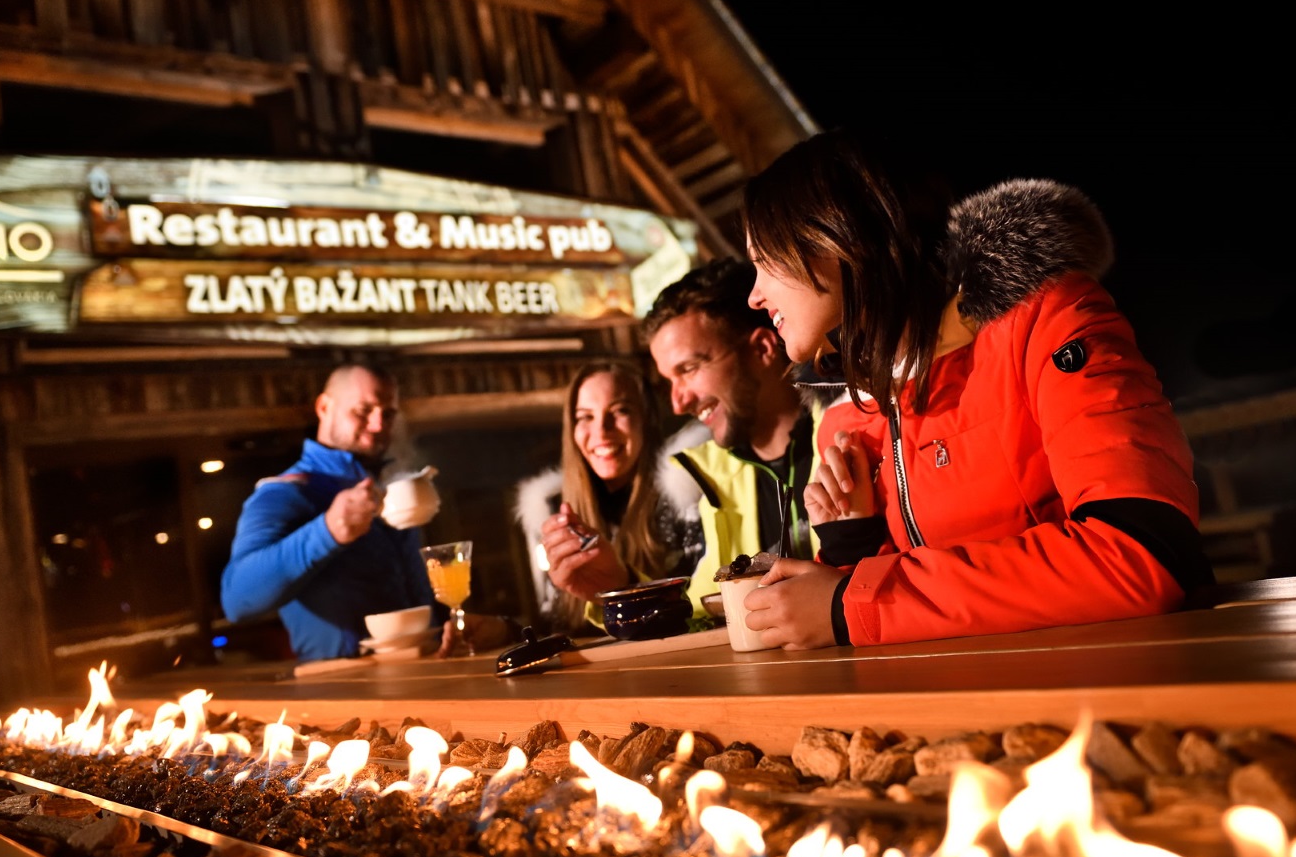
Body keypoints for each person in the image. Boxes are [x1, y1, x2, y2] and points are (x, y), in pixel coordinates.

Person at [739, 128, 1213, 649]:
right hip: (961, 710)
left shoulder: (1044, 322)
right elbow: (890, 617)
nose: (755, 297)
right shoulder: (848, 419)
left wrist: (851, 603)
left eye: (765, 260)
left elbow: (1143, 553)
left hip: (1120, 686)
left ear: (841, 238)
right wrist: (852, 544)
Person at [636, 258, 828, 613]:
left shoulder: (852, 431)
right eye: (669, 381)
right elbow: (696, 609)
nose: (678, 402)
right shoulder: (711, 476)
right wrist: (607, 587)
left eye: (689, 369)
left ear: (762, 349)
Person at [220, 363, 438, 661]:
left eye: (387, 414)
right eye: (363, 411)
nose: (378, 425)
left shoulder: (391, 485)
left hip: (428, 671)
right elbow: (236, 602)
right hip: (345, 688)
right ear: (324, 407)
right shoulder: (284, 492)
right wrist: (328, 530)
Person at [517, 361, 705, 630]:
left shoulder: (683, 495)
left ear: (647, 420)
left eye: (619, 411)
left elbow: (699, 613)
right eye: (585, 417)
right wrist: (504, 629)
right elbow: (557, 624)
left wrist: (621, 584)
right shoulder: (554, 509)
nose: (601, 431)